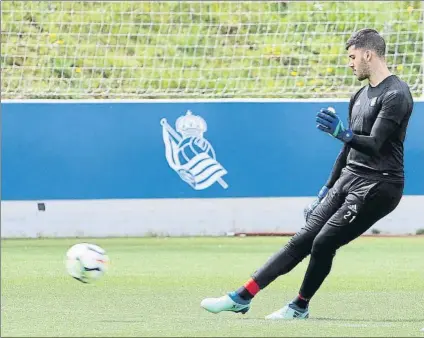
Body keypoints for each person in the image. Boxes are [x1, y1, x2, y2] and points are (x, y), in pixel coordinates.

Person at [200, 28, 414, 319]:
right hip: (350, 178)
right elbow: (348, 150)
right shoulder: (359, 95)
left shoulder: (396, 94)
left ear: (368, 54)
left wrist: (342, 133)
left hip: (380, 185)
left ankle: (299, 306)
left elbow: (374, 145)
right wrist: (326, 188)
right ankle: (241, 296)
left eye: (352, 57)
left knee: (323, 242)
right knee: (301, 239)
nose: (349, 63)